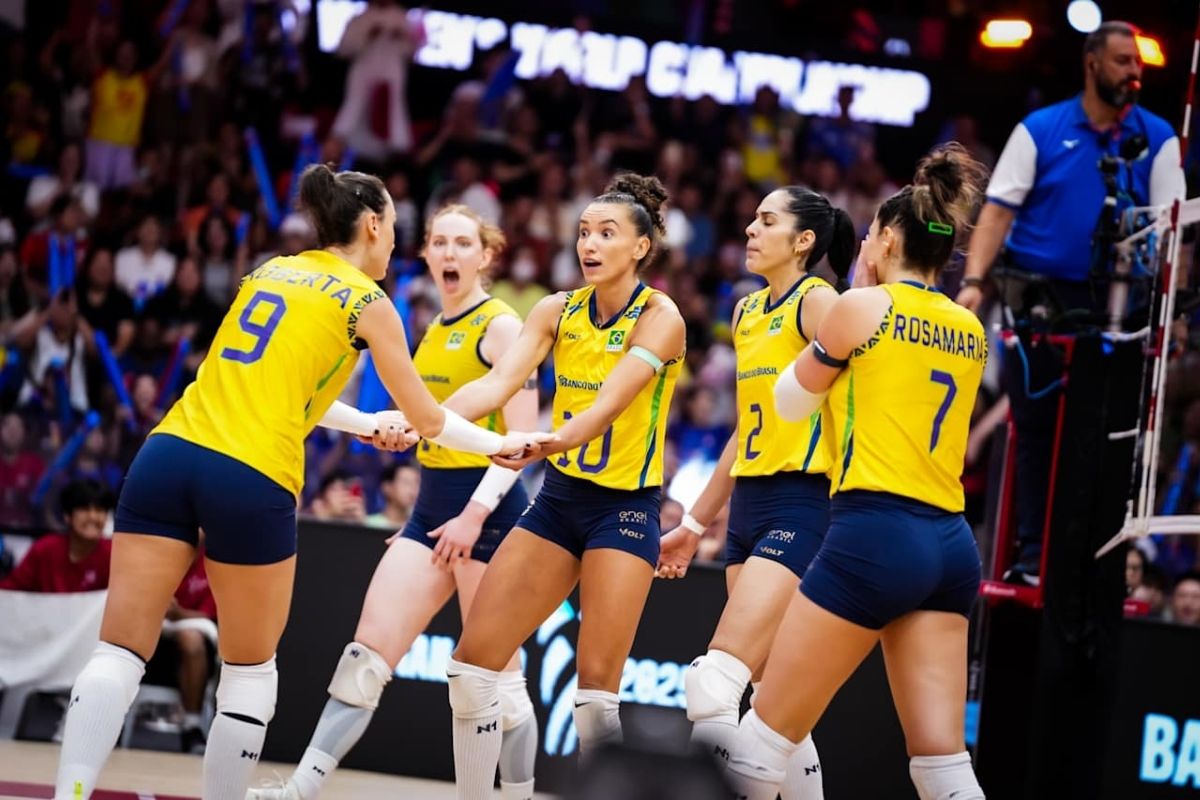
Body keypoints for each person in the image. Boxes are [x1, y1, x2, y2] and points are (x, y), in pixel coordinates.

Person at [51, 163, 552, 800]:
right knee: (250, 672)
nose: (409, 245)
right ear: (373, 226)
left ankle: (69, 793)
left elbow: (276, 386)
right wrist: (501, 445)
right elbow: (429, 420)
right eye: (408, 231)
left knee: (119, 653)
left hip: (168, 452)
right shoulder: (371, 303)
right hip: (253, 472)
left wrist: (368, 424)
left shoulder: (269, 271)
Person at [248, 205, 541, 800]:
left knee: (501, 688)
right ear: (426, 254)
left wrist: (473, 516)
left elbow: (522, 441)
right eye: (440, 242)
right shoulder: (429, 328)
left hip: (489, 517)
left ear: (486, 256)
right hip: (431, 513)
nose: (450, 252)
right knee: (363, 661)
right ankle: (299, 791)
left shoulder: (502, 327)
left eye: (463, 243)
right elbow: (431, 431)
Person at [724, 144, 990, 800]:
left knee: (761, 739)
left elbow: (789, 403)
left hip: (873, 532)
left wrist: (856, 300)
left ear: (889, 240)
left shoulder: (860, 307)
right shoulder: (970, 328)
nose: (863, 242)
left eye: (870, 233)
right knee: (942, 763)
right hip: (951, 545)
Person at [437, 173, 686, 800]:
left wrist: (545, 442)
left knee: (596, 699)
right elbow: (496, 385)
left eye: (607, 234)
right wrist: (423, 419)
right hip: (558, 502)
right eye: (583, 232)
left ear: (641, 247)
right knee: (470, 671)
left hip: (624, 510)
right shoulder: (555, 309)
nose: (589, 245)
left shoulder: (661, 317)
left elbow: (606, 407)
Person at [956, 21, 1186, 585]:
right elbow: (998, 212)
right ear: (1092, 63)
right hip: (1040, 303)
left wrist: (1171, 309)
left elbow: (1174, 232)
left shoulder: (1158, 137)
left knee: (1105, 436)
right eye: (1123, 61)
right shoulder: (1040, 129)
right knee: (1033, 430)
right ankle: (1031, 554)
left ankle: (1095, 562)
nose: (1134, 72)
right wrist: (975, 281)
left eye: (1138, 63)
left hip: (1121, 309)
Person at [654, 187, 855, 797]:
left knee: (711, 685)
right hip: (748, 507)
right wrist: (695, 524)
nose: (749, 229)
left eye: (767, 221)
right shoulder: (746, 311)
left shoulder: (819, 301)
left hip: (804, 501)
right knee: (773, 705)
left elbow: (860, 401)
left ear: (803, 241)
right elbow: (746, 430)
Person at [0, 478, 113, 592]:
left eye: (99, 510)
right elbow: (10, 589)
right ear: (67, 516)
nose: (93, 517)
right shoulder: (44, 549)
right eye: (84, 509)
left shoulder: (114, 554)